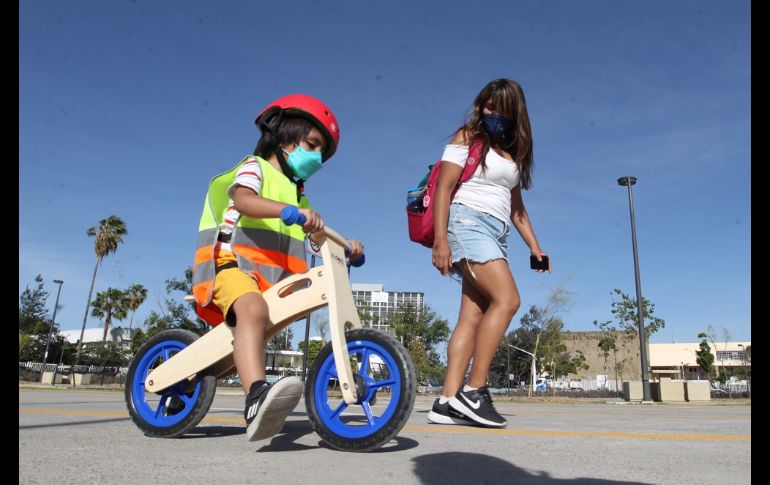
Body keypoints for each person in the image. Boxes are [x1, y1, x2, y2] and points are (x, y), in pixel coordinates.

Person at [191, 94, 364, 441]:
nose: (315, 157)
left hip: (268, 282)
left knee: (273, 311)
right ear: (284, 137)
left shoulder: (298, 195)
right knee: (253, 309)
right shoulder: (255, 168)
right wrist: (285, 211)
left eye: (321, 154)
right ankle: (255, 397)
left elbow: (316, 237)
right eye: (312, 145)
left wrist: (347, 245)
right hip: (231, 265)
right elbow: (243, 200)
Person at [426, 79, 550, 428]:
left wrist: (535, 247)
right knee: (508, 300)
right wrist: (440, 239)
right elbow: (444, 188)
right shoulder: (467, 137)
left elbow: (517, 210)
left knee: (472, 317)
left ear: (515, 112)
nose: (489, 112)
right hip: (467, 223)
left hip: (497, 233)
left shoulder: (512, 154)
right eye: (486, 105)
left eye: (498, 107)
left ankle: (447, 401)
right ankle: (475, 390)